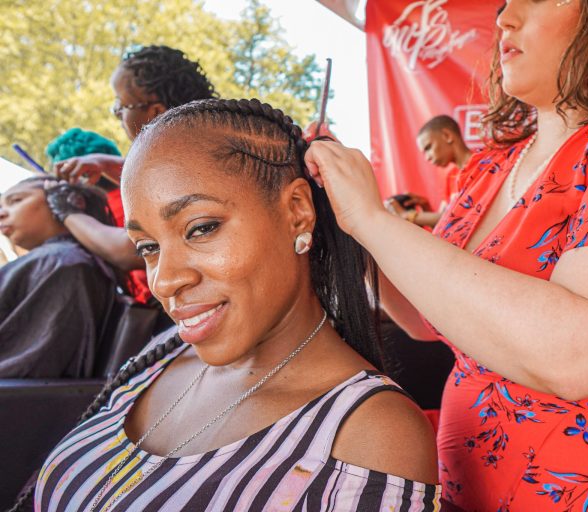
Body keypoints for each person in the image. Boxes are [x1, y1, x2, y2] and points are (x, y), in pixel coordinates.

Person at [304, 1, 588, 510]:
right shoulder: (491, 167)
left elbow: (577, 353)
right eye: (503, 3)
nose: (504, 18)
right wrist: (342, 216)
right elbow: (426, 316)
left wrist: (373, 220)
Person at [25, 98, 440, 511]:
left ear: (298, 211)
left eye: (201, 229)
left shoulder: (370, 435)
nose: (165, 280)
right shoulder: (165, 352)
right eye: (147, 247)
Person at [50, 45, 216, 303]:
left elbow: (127, 250)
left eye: (121, 106)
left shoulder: (188, 163)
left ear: (156, 112)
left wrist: (68, 214)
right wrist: (108, 164)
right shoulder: (206, 145)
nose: (118, 115)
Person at [0, 177, 116, 378]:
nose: (1, 213)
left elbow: (29, 366)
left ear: (69, 202)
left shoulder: (64, 264)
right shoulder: (56, 260)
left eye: (16, 200)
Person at [385, 116, 473, 228]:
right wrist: (425, 206)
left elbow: (462, 218)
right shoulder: (451, 176)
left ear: (447, 136)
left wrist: (406, 215)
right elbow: (442, 226)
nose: (427, 158)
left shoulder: (484, 166)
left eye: (428, 148)